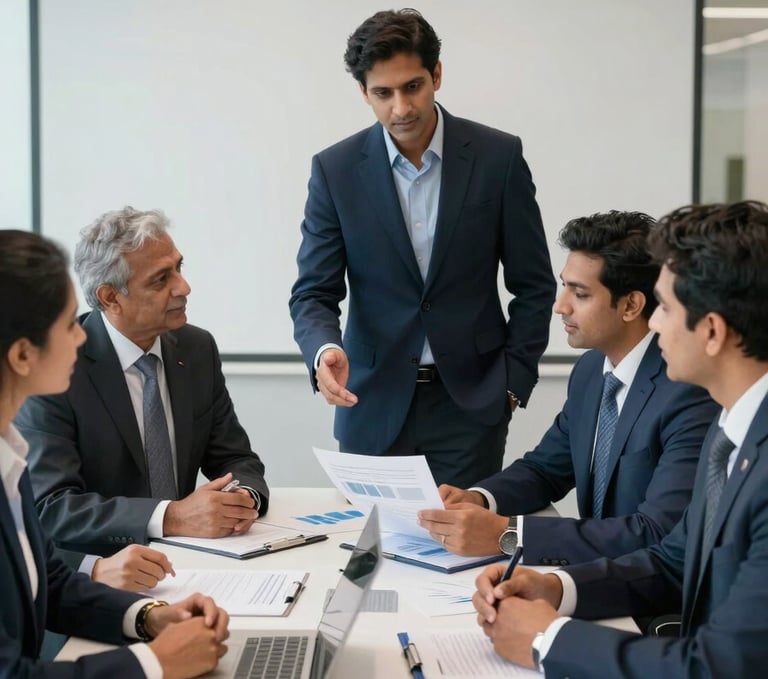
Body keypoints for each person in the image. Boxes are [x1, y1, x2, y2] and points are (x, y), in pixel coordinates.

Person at [472, 201, 768, 678]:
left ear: (712, 331)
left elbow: (720, 665)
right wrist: (556, 588)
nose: (654, 323)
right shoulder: (734, 427)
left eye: (665, 307)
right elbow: (673, 560)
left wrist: (547, 639)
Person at [288, 9, 556, 488]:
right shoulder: (335, 170)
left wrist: (513, 385)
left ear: (437, 75)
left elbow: (534, 285)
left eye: (412, 87)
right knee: (372, 537)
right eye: (383, 93)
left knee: (461, 534)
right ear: (363, 92)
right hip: (371, 403)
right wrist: (323, 349)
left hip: (471, 408)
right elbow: (313, 292)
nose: (401, 109)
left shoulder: (498, 158)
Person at [418, 211, 717, 565]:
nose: (560, 306)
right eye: (564, 286)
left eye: (580, 293)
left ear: (631, 305)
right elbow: (545, 469)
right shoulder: (591, 370)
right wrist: (479, 499)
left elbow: (655, 531)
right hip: (594, 574)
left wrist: (508, 534)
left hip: (647, 588)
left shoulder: (687, 391)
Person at [0, 229, 229, 677]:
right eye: (69, 324)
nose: (82, 337)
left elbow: (49, 580)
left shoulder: (10, 455)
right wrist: (155, 663)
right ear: (24, 355)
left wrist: (148, 617)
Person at [15, 207, 270, 592]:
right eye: (161, 279)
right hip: (98, 578)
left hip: (194, 564)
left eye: (179, 268)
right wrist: (171, 516)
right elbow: (52, 506)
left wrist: (242, 498)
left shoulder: (196, 348)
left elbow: (236, 458)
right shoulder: (59, 367)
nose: (184, 287)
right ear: (110, 297)